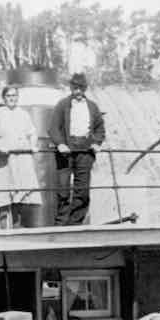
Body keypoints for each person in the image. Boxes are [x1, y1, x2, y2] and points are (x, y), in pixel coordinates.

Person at [48, 72, 105, 225]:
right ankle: (60, 225)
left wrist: (96, 142)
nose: (78, 91)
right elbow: (53, 128)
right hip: (65, 153)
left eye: (80, 88)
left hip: (85, 153)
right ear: (71, 88)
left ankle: (75, 224)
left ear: (85, 89)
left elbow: (100, 129)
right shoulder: (62, 105)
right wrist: (60, 143)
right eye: (75, 88)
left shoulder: (92, 107)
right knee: (63, 190)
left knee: (82, 190)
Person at [0, 86, 42, 228]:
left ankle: (23, 225)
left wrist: (32, 145)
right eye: (8, 96)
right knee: (6, 191)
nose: (11, 98)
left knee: (24, 189)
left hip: (23, 158)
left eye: (14, 96)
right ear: (4, 98)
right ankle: (7, 226)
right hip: (6, 160)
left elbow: (32, 132)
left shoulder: (24, 114)